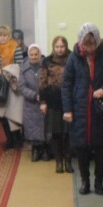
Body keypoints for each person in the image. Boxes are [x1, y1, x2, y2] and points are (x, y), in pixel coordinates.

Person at [63, 23, 103, 195]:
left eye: (91, 45)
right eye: (85, 45)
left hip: (101, 109)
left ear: (97, 41)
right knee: (81, 148)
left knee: (101, 146)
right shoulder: (74, 57)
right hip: (80, 108)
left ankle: (99, 183)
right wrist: (67, 110)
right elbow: (66, 84)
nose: (88, 49)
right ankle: (85, 182)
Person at [40, 36, 73, 174]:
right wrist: (43, 101)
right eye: (57, 47)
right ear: (53, 47)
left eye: (62, 47)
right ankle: (58, 161)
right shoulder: (47, 61)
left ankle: (68, 161)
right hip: (52, 101)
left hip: (69, 101)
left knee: (68, 133)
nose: (59, 49)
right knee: (55, 133)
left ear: (66, 47)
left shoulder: (72, 58)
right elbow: (42, 82)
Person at [0, 25, 21, 146]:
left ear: (9, 36)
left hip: (13, 85)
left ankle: (17, 139)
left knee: (13, 113)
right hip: (0, 84)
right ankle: (9, 139)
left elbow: (19, 67)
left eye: (5, 35)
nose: (2, 38)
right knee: (1, 113)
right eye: (0, 35)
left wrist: (4, 71)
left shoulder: (15, 48)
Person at [19, 43, 47, 161]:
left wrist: (44, 96)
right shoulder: (23, 68)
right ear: (28, 55)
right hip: (30, 103)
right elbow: (21, 87)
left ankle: (45, 149)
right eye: (32, 54)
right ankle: (35, 149)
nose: (34, 57)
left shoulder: (46, 66)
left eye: (36, 54)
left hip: (44, 102)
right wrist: (34, 95)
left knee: (44, 126)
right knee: (32, 127)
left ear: (40, 55)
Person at [0, 61, 24, 150]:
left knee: (14, 121)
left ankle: (15, 140)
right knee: (5, 120)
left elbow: (17, 86)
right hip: (4, 99)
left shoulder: (18, 68)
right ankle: (11, 140)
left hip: (13, 99)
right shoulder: (1, 69)